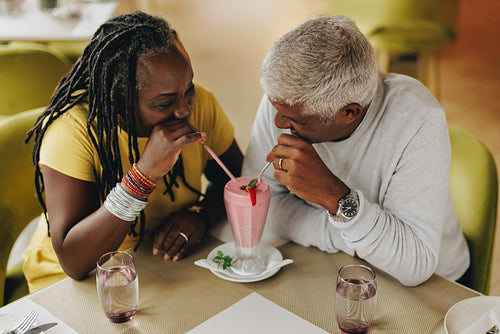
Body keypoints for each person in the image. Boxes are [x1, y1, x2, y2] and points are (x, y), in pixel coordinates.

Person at [23, 11, 243, 292]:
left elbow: (238, 180)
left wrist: (201, 214)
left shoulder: (201, 105)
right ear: (119, 100)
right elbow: (74, 261)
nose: (185, 109)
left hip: (160, 266)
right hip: (75, 283)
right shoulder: (72, 132)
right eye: (164, 104)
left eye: (187, 90)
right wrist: (143, 175)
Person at [242, 15, 469, 286]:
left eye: (295, 121)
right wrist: (345, 236)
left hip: (436, 284)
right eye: (275, 109)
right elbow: (258, 203)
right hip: (332, 265)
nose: (277, 123)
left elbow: (415, 264)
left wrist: (335, 197)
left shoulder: (418, 119)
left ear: (349, 113)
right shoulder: (288, 101)